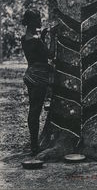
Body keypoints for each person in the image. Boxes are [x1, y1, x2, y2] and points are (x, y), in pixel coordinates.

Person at [21, 9, 55, 155]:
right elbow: (50, 55)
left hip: (30, 75)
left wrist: (42, 35)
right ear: (32, 22)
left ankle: (34, 143)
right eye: (38, 19)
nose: (40, 21)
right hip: (39, 77)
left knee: (33, 110)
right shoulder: (36, 41)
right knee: (35, 110)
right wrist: (53, 37)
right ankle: (34, 147)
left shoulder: (25, 38)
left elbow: (35, 53)